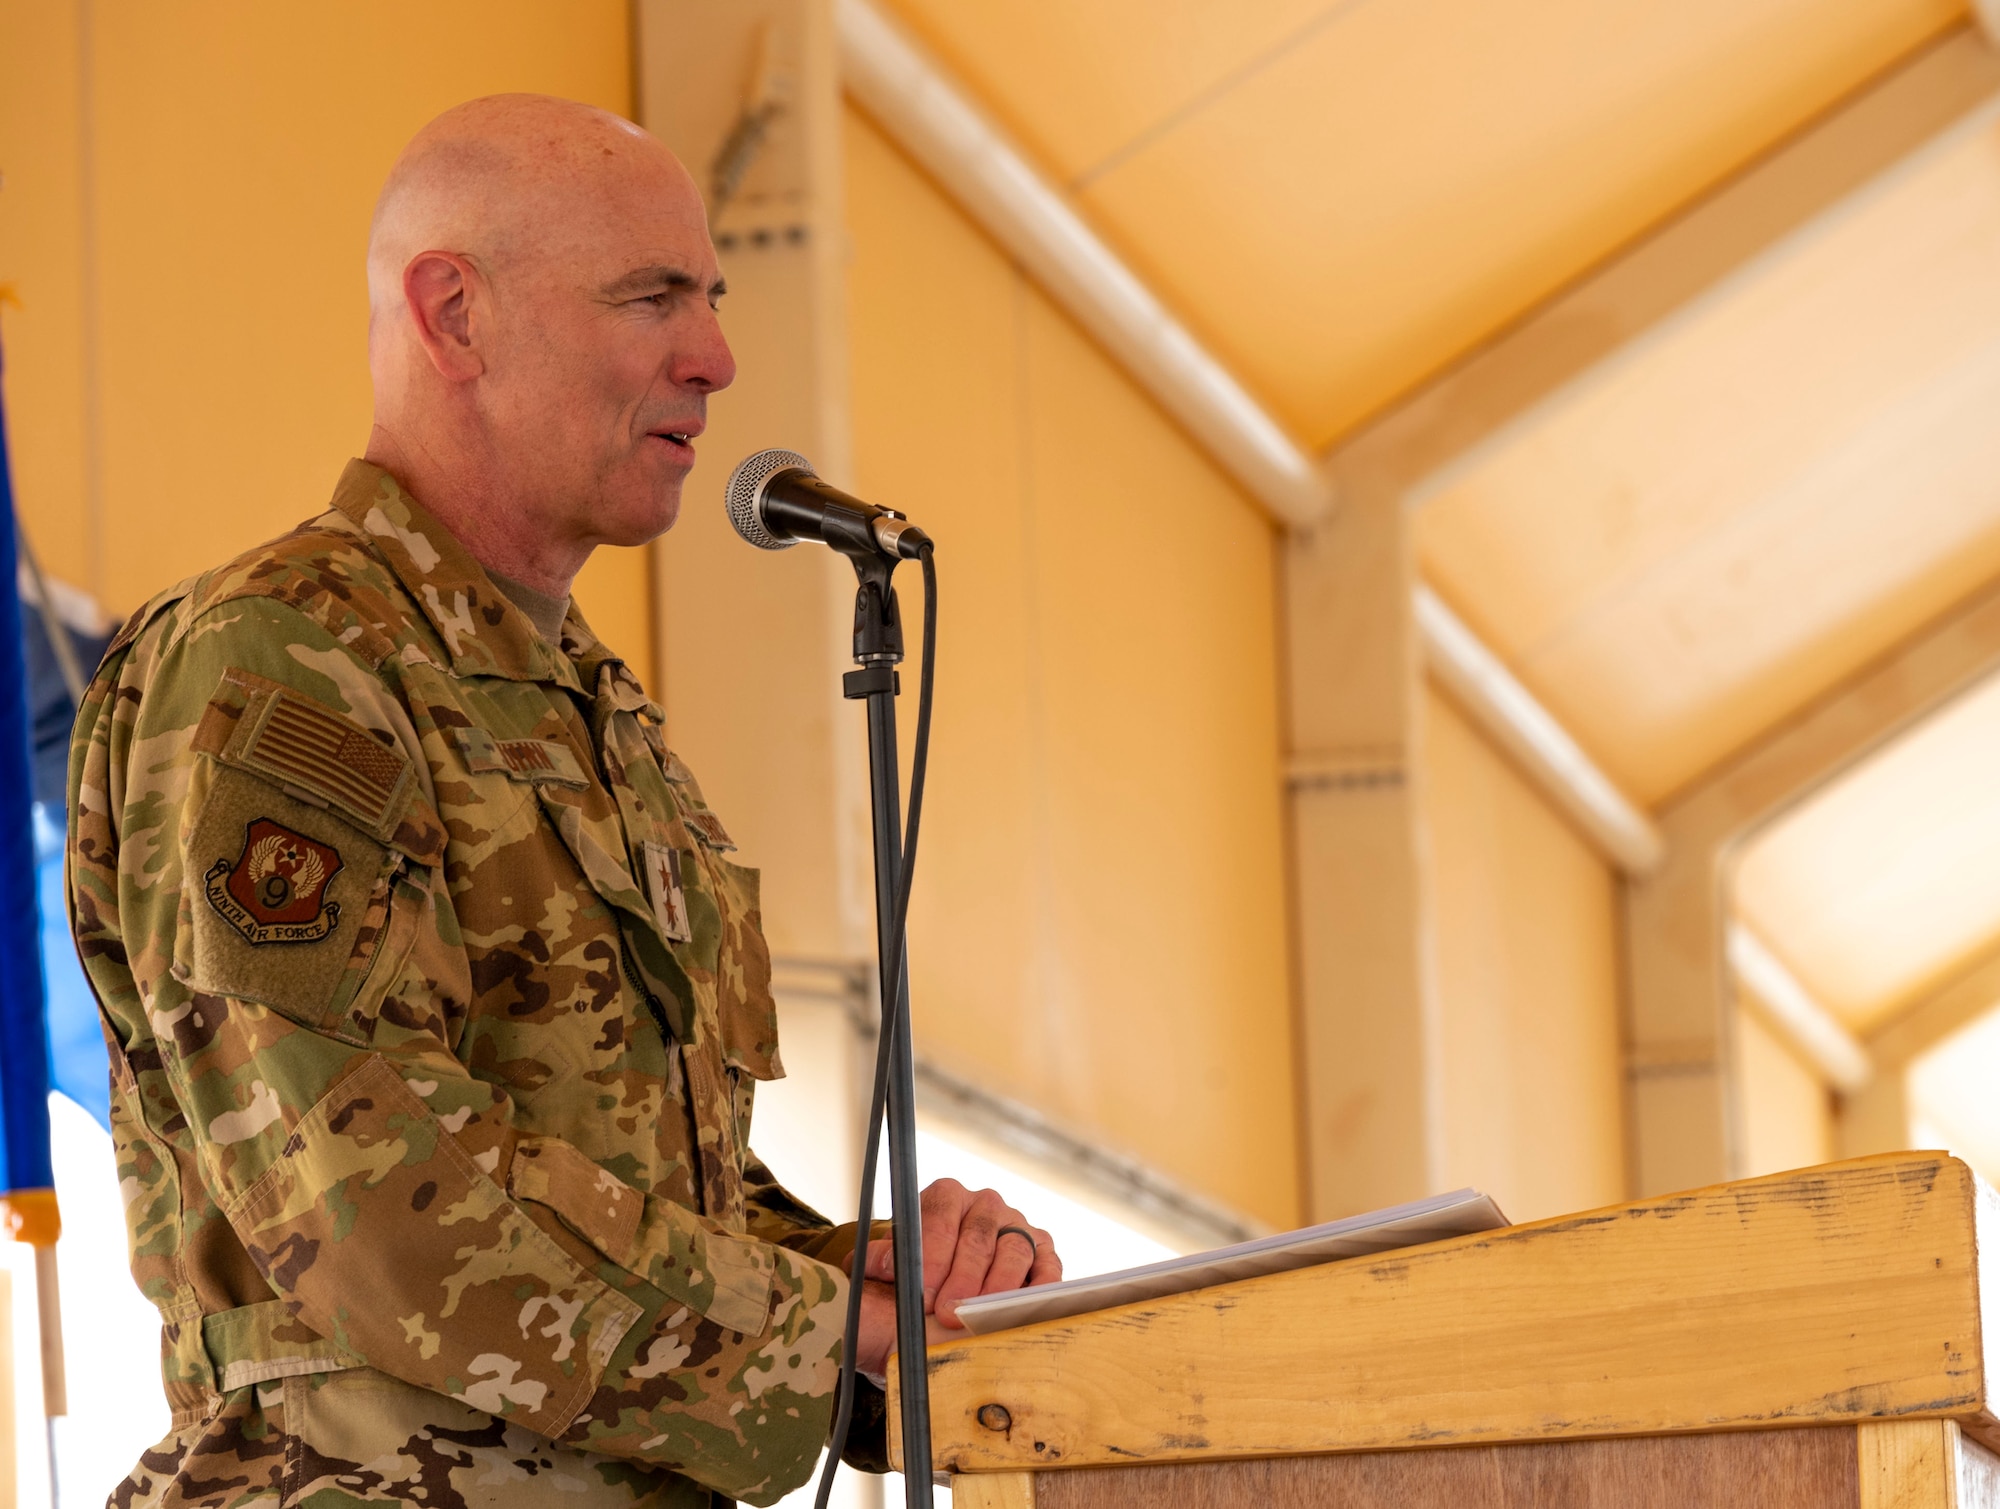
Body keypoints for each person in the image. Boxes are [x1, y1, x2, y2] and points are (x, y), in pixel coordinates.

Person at [65, 94, 1060, 1509]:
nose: (714, 358)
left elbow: (648, 1193)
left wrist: (878, 1272)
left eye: (708, 298)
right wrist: (823, 1337)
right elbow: (371, 1204)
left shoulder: (590, 707)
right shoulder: (287, 664)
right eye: (651, 295)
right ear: (455, 315)